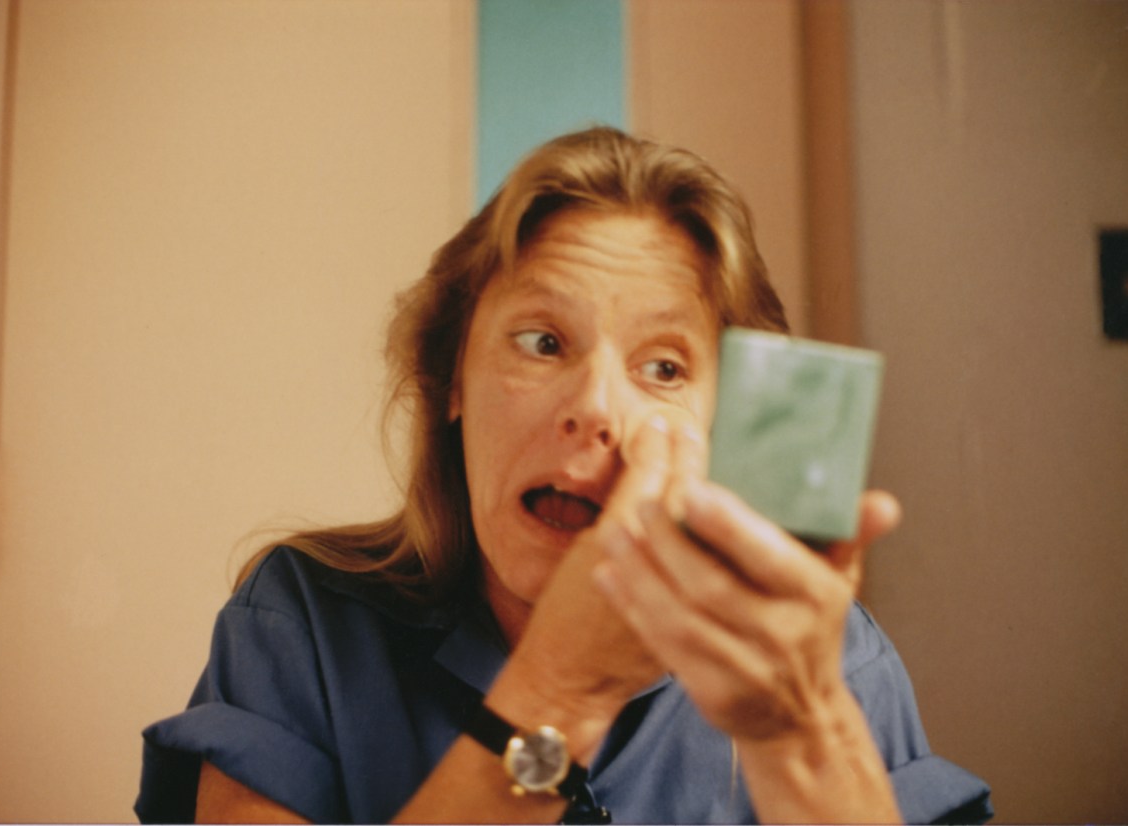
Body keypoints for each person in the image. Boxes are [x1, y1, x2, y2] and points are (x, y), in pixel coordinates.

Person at [136, 127, 992, 824]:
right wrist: (559, 695)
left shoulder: (831, 660)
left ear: (723, 426)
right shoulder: (303, 624)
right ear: (451, 381)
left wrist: (798, 735)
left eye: (663, 367)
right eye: (543, 343)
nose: (595, 409)